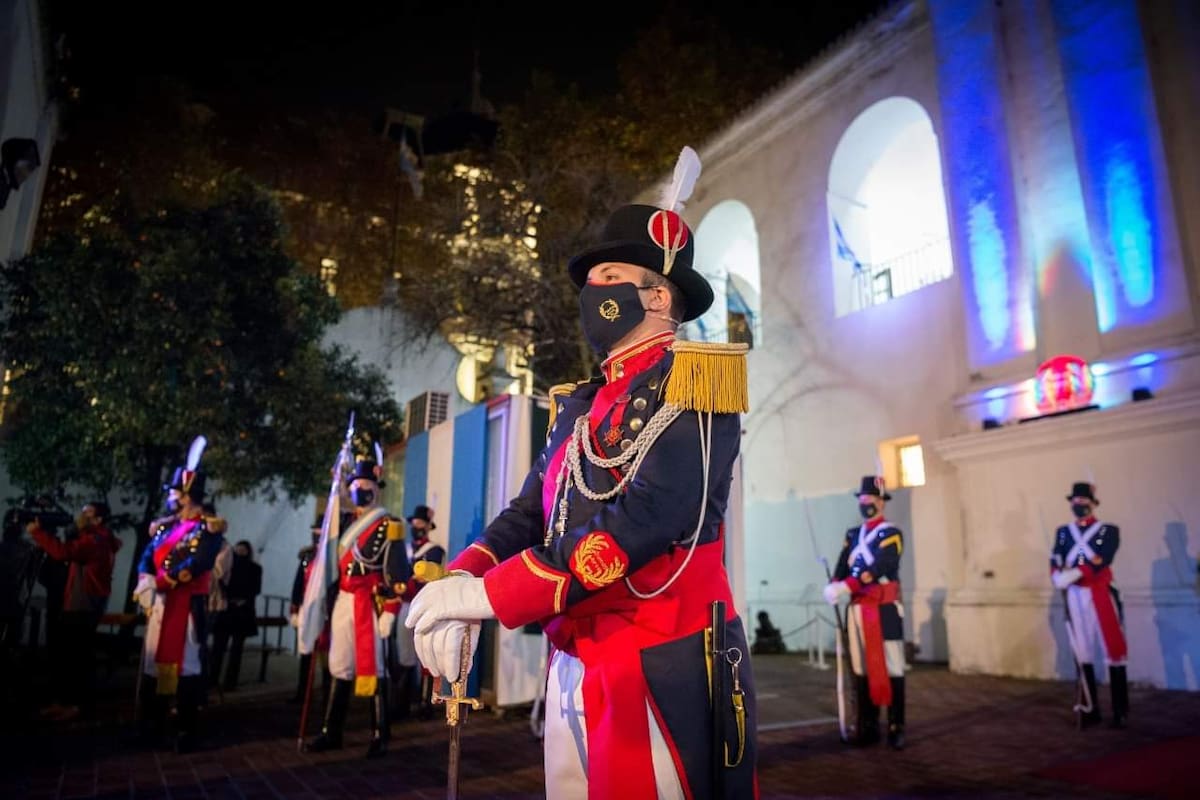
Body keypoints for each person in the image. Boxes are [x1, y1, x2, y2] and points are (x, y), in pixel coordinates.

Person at [406, 149, 760, 798]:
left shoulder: (703, 382)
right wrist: (463, 576)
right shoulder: (580, 403)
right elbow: (531, 512)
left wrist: (491, 599)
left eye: (607, 276)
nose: (591, 293)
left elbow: (649, 517)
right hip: (573, 656)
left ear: (657, 295)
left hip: (659, 664)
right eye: (590, 281)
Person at [304, 455, 411, 759]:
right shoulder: (344, 524)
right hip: (344, 600)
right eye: (356, 485)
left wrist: (390, 609)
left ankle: (380, 732)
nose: (360, 490)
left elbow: (397, 573)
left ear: (376, 488)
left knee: (375, 667)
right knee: (339, 665)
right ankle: (331, 731)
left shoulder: (389, 524)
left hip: (371, 603)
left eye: (366, 485)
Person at [132, 441, 226, 753]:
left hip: (186, 607)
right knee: (152, 663)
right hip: (160, 604)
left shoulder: (208, 531)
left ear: (187, 495)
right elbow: (146, 556)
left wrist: (161, 582)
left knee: (187, 667)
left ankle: (186, 729)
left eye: (174, 492)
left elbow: (196, 564)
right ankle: (151, 724)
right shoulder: (165, 529)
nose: (170, 497)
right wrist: (146, 579)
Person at [823, 476, 907, 749]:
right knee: (860, 668)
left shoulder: (891, 534)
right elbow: (842, 567)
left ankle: (896, 726)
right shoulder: (853, 535)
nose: (865, 504)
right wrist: (834, 585)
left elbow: (881, 566)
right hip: (857, 609)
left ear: (881, 501)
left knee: (892, 665)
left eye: (869, 499)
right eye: (862, 500)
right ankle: (867, 724)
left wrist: (847, 585)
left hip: (884, 610)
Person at [27, 501, 122, 721]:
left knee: (75, 657)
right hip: (83, 602)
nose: (82, 518)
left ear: (98, 520)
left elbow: (62, 552)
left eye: (88, 515)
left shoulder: (94, 541)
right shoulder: (101, 539)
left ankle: (74, 705)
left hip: (83, 603)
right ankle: (66, 702)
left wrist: (38, 533)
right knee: (71, 655)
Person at [1050, 481, 1128, 728]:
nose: (1078, 505)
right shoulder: (1063, 532)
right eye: (1075, 501)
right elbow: (1056, 556)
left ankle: (1119, 711)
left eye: (1083, 501)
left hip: (1100, 593)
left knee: (1113, 650)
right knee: (1081, 650)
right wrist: (1056, 575)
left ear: (1093, 504)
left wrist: (1073, 574)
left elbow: (1103, 557)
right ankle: (1089, 707)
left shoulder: (1108, 530)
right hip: (1075, 595)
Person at [394, 504, 443, 719]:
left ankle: (426, 702)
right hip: (405, 604)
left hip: (425, 605)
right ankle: (402, 702)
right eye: (414, 523)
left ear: (427, 526)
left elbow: (425, 578)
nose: (416, 527)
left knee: (426, 654)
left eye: (420, 523)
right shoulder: (404, 550)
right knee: (404, 654)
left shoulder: (434, 550)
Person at [209, 540, 262, 691]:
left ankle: (230, 682)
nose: (239, 553)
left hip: (242, 611)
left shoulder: (255, 569)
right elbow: (220, 582)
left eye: (242, 551)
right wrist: (229, 597)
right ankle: (212, 678)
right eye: (237, 550)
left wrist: (242, 599)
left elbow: (255, 588)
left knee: (236, 649)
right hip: (227, 609)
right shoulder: (229, 567)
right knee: (219, 646)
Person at [289, 519, 328, 704]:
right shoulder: (307, 557)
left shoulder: (330, 557)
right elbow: (298, 584)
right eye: (315, 532)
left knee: (326, 655)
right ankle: (303, 693)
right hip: (307, 607)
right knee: (306, 653)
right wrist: (295, 608)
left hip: (324, 611)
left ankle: (328, 694)